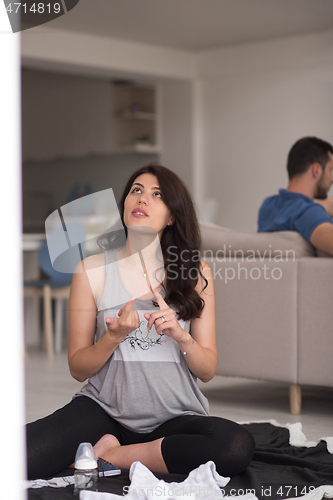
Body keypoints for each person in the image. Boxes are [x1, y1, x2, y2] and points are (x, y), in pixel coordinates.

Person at [27, 164, 255, 480]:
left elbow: (208, 369)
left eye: (157, 194)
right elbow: (78, 367)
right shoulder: (91, 270)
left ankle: (113, 455)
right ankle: (124, 451)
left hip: (174, 418)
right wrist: (112, 336)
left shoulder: (196, 273)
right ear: (125, 204)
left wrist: (182, 337)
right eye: (136, 190)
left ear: (172, 216)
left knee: (234, 445)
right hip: (103, 411)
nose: (142, 199)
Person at [258, 137, 333, 255]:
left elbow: (298, 208)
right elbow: (308, 212)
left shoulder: (268, 205)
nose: (332, 179)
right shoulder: (309, 213)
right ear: (316, 170)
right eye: (330, 170)